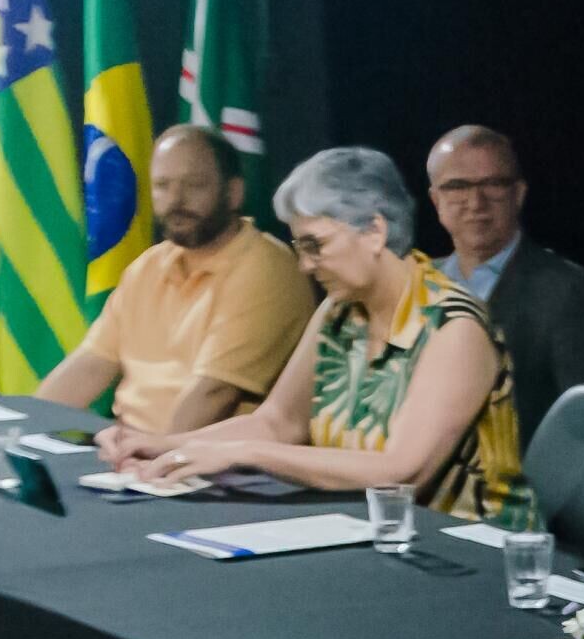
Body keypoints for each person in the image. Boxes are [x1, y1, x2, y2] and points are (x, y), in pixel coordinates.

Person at [100, 145, 523, 516]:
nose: (304, 265)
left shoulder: (454, 326)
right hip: (365, 529)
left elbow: (403, 472)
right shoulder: (339, 311)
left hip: (468, 555)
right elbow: (278, 422)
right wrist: (169, 446)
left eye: (315, 245)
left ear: (374, 231)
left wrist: (244, 454)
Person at [33, 124, 314, 433]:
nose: (176, 200)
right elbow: (90, 366)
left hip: (213, 464)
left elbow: (214, 395)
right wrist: (21, 431)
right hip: (132, 453)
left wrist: (152, 460)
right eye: (162, 186)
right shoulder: (148, 267)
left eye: (193, 185)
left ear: (233, 193)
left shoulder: (265, 268)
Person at [423, 124, 584, 445]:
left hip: (520, 489)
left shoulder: (569, 291)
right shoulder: (416, 285)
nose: (476, 202)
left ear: (518, 194)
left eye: (493, 184)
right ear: (436, 200)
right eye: (458, 186)